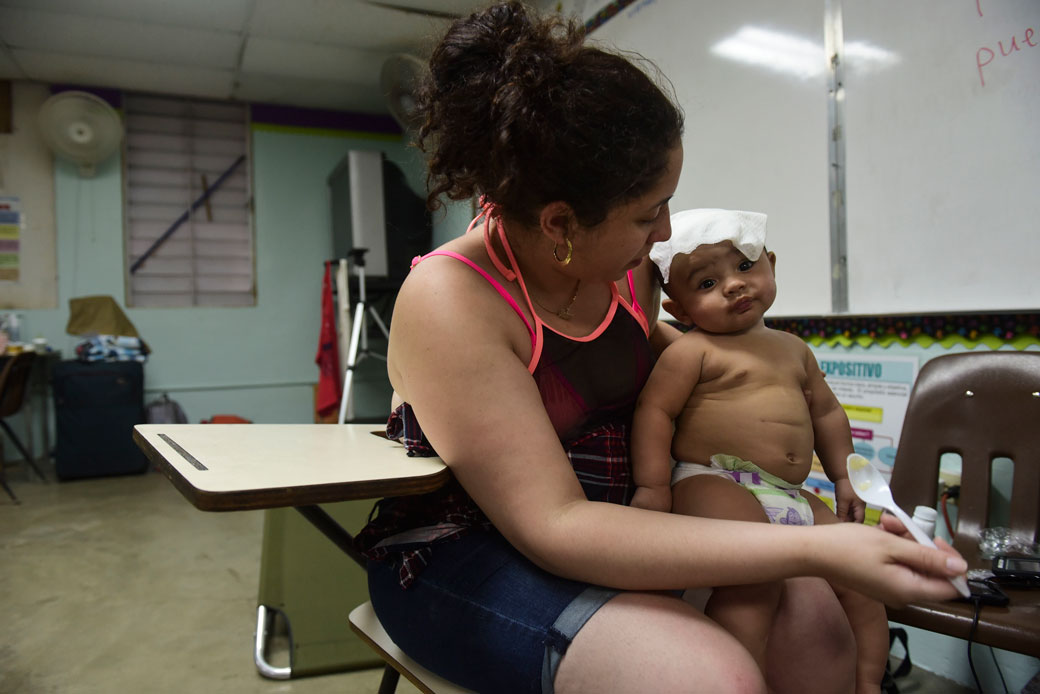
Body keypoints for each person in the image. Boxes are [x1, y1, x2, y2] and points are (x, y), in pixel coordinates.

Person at [355, 4, 968, 693]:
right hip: (469, 555)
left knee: (817, 629)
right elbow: (553, 525)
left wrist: (816, 491)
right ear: (560, 224)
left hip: (614, 523)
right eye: (650, 214)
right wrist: (811, 541)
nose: (667, 230)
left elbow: (704, 380)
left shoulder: (623, 273)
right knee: (711, 677)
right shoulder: (453, 301)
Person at [630, 208, 890, 693]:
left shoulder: (794, 350)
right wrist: (652, 486)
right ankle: (737, 680)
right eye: (707, 283)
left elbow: (828, 414)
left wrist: (844, 477)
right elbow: (654, 413)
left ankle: (869, 682)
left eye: (745, 266)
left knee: (859, 573)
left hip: (788, 492)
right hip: (714, 481)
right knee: (752, 583)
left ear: (770, 263)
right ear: (679, 310)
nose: (732, 285)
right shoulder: (693, 351)